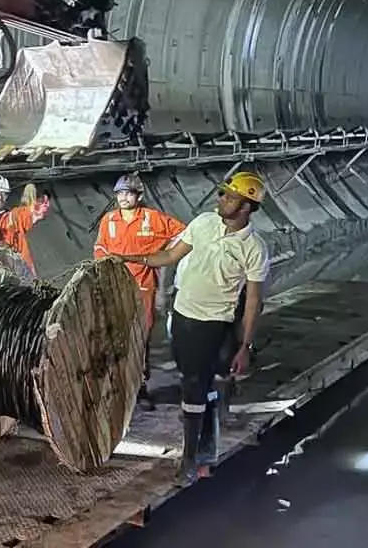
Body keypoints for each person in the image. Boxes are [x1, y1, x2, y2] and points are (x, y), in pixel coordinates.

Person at [110, 171, 269, 486]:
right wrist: (129, 258)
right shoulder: (203, 223)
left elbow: (252, 301)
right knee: (195, 381)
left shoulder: (254, 248)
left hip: (213, 324)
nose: (221, 200)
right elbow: (170, 255)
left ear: (247, 207)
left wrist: (244, 346)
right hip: (181, 316)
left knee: (194, 385)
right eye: (223, 194)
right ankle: (208, 420)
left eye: (230, 197)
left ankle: (191, 456)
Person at [92, 173, 185, 410]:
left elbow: (183, 233)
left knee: (140, 340)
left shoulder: (152, 219)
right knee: (115, 337)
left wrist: (163, 256)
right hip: (114, 287)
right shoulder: (109, 220)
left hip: (143, 288)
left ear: (139, 195)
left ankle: (141, 386)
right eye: (120, 193)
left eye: (128, 193)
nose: (123, 198)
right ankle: (117, 387)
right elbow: (100, 248)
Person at [0, 175, 50, 273]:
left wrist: (34, 192)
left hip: (21, 277)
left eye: (4, 194)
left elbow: (36, 211)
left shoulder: (15, 217)